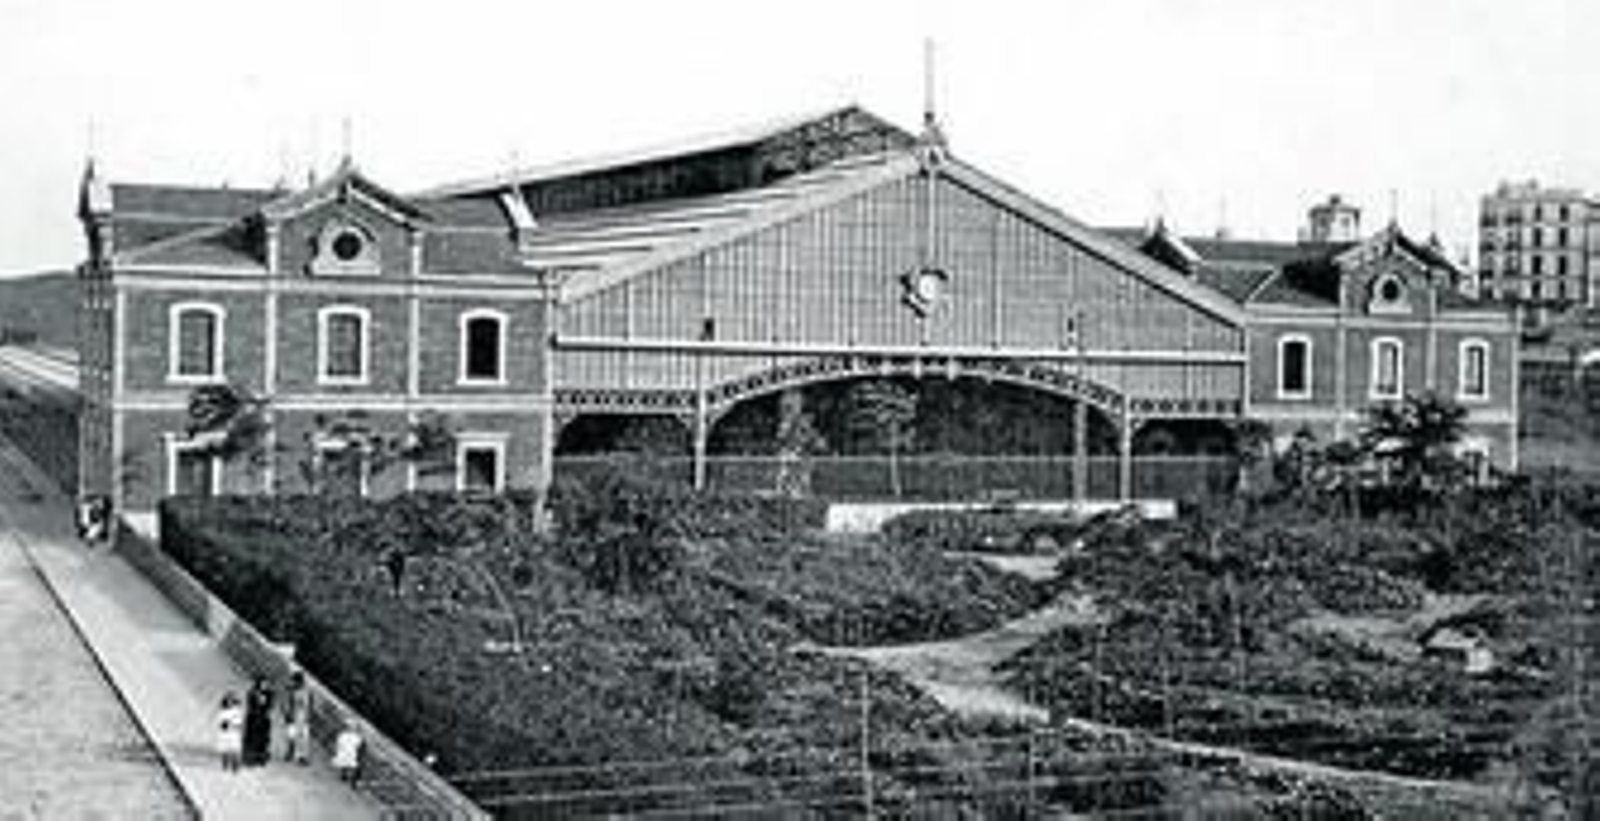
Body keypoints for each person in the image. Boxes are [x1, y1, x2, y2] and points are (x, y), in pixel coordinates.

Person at [242, 676, 275, 767]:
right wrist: (255, 709)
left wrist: (265, 709)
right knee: (252, 737)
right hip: (254, 717)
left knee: (263, 738)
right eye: (263, 683)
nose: (265, 685)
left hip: (263, 718)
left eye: (266, 684)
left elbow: (270, 705)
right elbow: (250, 703)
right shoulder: (252, 692)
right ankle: (249, 757)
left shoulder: (269, 693)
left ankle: (261, 757)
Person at [281, 671, 312, 765]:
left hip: (302, 716)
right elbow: (286, 703)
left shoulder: (306, 691)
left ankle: (302, 757)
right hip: (294, 715)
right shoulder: (290, 690)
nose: (293, 683)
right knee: (291, 735)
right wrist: (286, 714)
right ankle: (290, 752)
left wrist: (308, 716)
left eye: (295, 681)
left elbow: (308, 705)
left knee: (303, 738)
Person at [216, 692, 244, 773]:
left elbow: (239, 722)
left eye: (231, 701)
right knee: (224, 748)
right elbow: (221, 722)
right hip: (225, 733)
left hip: (234, 732)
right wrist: (225, 724)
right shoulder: (222, 711)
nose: (230, 703)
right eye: (228, 701)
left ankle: (235, 765)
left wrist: (233, 724)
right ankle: (225, 763)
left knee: (235, 749)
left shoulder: (237, 711)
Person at [333, 721, 363, 786]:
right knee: (346, 763)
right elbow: (339, 742)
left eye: (352, 727)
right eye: (350, 727)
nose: (351, 729)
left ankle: (350, 777)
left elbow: (357, 744)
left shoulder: (355, 737)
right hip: (346, 751)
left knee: (349, 763)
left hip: (349, 752)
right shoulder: (344, 735)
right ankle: (346, 775)